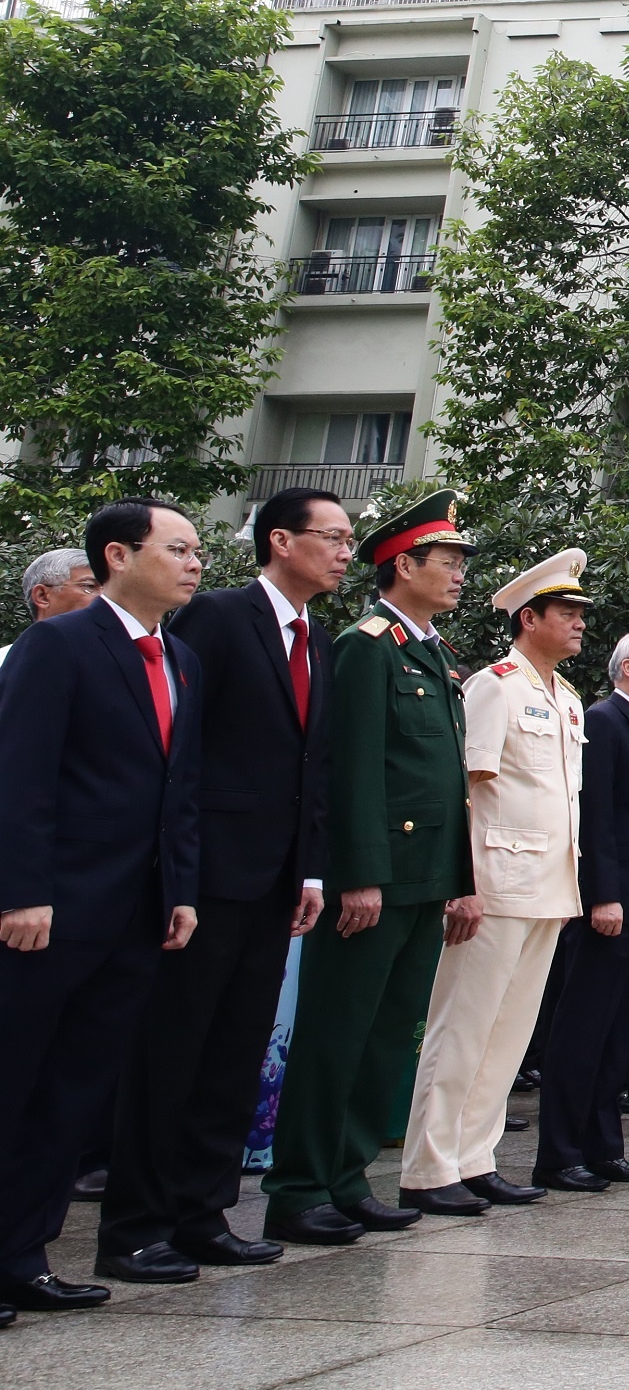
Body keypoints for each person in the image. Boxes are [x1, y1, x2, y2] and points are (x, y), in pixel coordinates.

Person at [98, 489, 343, 1285]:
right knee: (173, 1052)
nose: (345, 551)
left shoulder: (320, 637)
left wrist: (310, 867)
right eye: (331, 536)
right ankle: (136, 1226)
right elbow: (187, 752)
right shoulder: (222, 617)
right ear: (281, 540)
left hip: (276, 877)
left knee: (237, 1054)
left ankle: (204, 1216)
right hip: (207, 878)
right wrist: (183, 874)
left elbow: (313, 766)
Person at [0, 498, 205, 1323]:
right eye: (179, 548)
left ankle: (23, 1256)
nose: (195, 563)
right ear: (119, 555)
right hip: (51, 909)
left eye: (197, 550)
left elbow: (177, 791)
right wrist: (21, 891)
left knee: (74, 1092)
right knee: (14, 1081)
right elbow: (20, 776)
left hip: (135, 912)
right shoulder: (58, 645)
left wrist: (181, 889)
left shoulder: (180, 658)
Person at [262, 489, 476, 1246]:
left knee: (388, 1036)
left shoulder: (433, 653)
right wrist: (358, 874)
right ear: (403, 564)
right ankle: (297, 1187)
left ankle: (348, 1179)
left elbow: (443, 779)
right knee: (337, 1035)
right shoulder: (365, 645)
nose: (459, 576)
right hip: (377, 879)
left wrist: (460, 882)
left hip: (424, 878)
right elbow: (352, 771)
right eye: (447, 562)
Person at [396, 551, 591, 1215]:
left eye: (581, 614)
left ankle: (473, 1158)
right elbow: (467, 790)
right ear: (528, 618)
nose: (578, 624)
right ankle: (427, 1165)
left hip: (548, 886)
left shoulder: (566, 699)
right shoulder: (495, 686)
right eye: (566, 612)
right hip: (496, 883)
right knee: (463, 1030)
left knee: (508, 1035)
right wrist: (464, 884)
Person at [533, 630, 629, 1190]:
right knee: (583, 1030)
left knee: (620, 1032)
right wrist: (602, 893)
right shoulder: (603, 720)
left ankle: (602, 1147)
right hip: (611, 902)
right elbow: (594, 815)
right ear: (628, 669)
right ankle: (560, 1152)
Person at [1, 549, 95, 671]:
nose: (104, 597)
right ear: (42, 596)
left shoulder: (119, 659)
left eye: (107, 589)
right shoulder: (6, 664)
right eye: (90, 586)